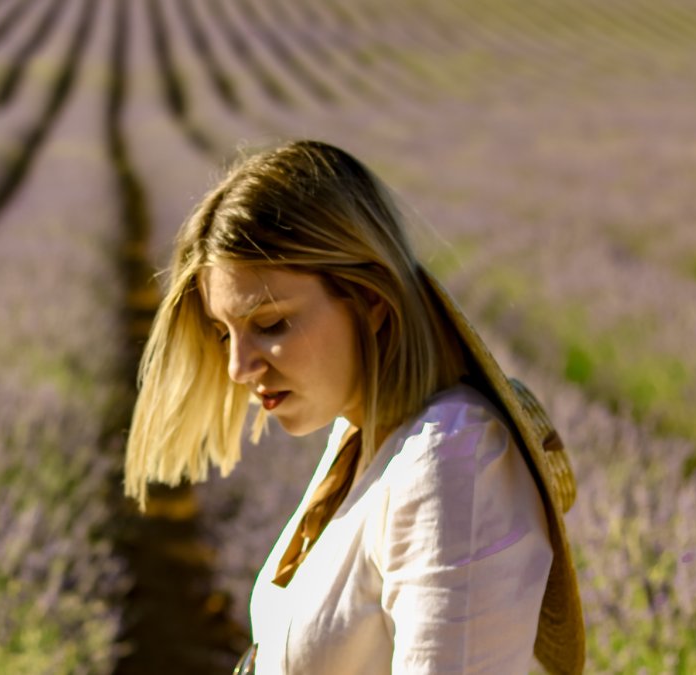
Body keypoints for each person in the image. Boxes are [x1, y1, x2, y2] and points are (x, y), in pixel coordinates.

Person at [124, 140, 584, 674]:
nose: (238, 368)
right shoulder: (359, 437)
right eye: (223, 333)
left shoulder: (452, 460)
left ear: (370, 301)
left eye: (270, 325)